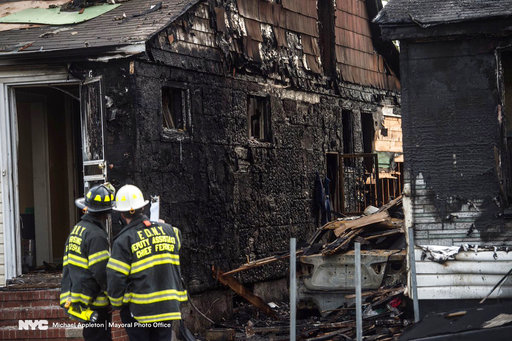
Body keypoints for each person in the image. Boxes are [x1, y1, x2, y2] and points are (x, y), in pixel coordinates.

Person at [107, 184, 187, 341]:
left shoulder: (123, 241)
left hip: (140, 311)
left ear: (121, 215)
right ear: (142, 209)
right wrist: (161, 226)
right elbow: (178, 238)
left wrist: (117, 303)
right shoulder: (170, 230)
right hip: (167, 307)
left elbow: (115, 278)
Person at [60, 183, 115, 341]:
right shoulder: (96, 235)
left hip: (80, 298)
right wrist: (112, 296)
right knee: (100, 337)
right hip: (95, 301)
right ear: (105, 213)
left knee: (91, 335)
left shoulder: (77, 229)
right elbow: (101, 271)